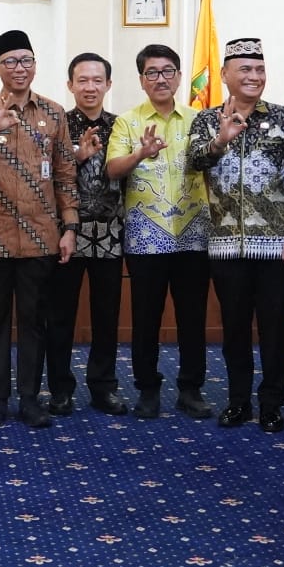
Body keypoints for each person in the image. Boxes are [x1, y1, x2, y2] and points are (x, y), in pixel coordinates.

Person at [187, 38, 284, 433]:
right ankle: (238, 401)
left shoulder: (283, 118)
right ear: (225, 74)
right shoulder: (206, 120)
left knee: (275, 330)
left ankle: (272, 404)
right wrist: (221, 140)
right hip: (225, 245)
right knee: (235, 329)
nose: (254, 76)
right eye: (245, 69)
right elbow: (193, 161)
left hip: (277, 246)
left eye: (259, 69)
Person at [0, 30, 79, 429]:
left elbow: (65, 174)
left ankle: (29, 399)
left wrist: (70, 228)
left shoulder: (54, 113)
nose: (19, 68)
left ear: (35, 65)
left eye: (26, 60)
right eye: (10, 61)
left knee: (33, 321)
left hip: (40, 237)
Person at [107, 44, 211, 420]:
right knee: (146, 318)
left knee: (192, 317)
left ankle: (191, 389)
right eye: (152, 72)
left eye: (168, 71)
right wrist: (139, 154)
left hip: (192, 234)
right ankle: (147, 389)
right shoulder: (127, 122)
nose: (161, 79)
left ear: (180, 77)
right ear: (141, 80)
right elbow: (112, 169)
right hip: (145, 237)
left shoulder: (200, 120)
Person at [44, 53, 123, 417]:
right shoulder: (56, 124)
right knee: (60, 316)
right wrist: (76, 156)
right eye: (82, 80)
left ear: (108, 84)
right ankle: (60, 389)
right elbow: (42, 177)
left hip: (111, 234)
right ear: (70, 84)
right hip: (66, 234)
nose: (90, 87)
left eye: (97, 80)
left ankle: (104, 387)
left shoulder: (122, 126)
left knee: (106, 316)